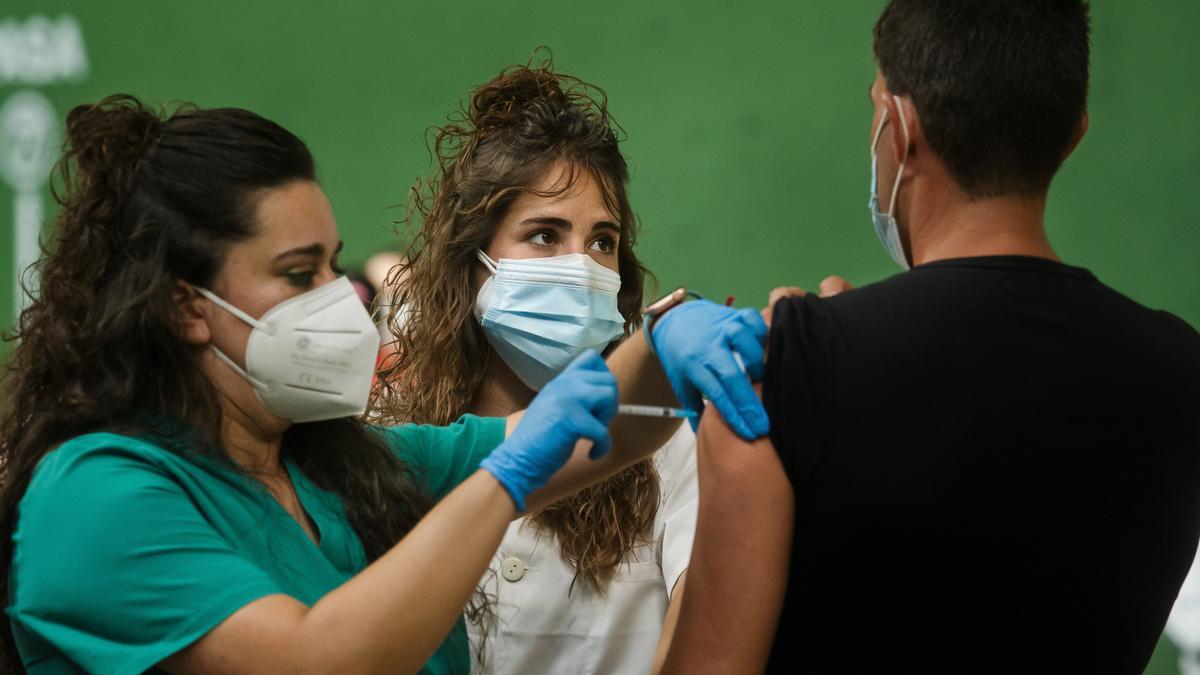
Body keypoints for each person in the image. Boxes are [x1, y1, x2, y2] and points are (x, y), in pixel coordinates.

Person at [0, 95, 768, 674]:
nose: (338, 297)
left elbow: (617, 430)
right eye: (299, 273)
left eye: (334, 264)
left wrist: (666, 338)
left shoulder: (335, 465)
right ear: (184, 304)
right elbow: (317, 659)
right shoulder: (96, 498)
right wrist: (504, 480)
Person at [663, 1, 1200, 673]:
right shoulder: (1179, 375)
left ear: (898, 123)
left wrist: (817, 351)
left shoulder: (781, 374)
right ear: (1072, 134)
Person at [378, 62, 697, 674]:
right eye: (545, 235)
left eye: (603, 241)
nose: (582, 269)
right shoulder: (391, 437)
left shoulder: (664, 444)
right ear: (473, 265)